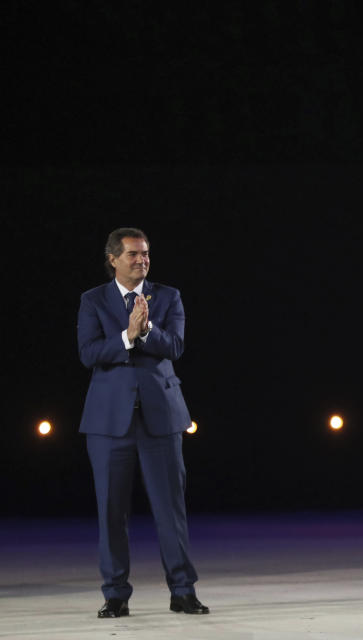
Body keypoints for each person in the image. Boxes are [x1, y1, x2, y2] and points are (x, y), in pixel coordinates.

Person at [77, 227, 209, 617]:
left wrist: (147, 330)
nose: (142, 260)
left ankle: (183, 590)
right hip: (108, 422)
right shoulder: (93, 300)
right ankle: (115, 595)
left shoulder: (168, 296)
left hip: (161, 418)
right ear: (113, 259)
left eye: (146, 254)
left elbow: (176, 346)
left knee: (171, 508)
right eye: (133, 254)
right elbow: (88, 353)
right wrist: (126, 336)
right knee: (111, 510)